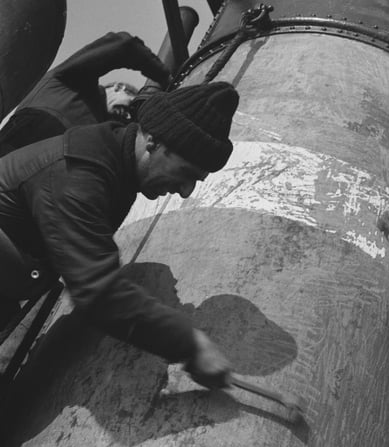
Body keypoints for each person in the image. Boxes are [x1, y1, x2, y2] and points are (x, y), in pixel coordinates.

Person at [0, 81, 239, 389]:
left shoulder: (116, 163)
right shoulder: (79, 174)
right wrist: (189, 343)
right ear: (153, 142)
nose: (185, 191)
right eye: (186, 173)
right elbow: (97, 288)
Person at [0, 31, 170, 156]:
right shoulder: (74, 82)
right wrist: (164, 76)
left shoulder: (102, 133)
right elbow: (123, 45)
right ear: (117, 88)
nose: (127, 116)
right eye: (130, 105)